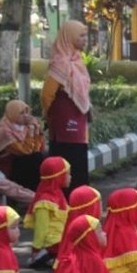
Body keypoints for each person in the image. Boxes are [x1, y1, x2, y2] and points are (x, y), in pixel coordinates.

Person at [42, 20, 91, 189]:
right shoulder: (60, 62)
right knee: (67, 168)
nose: (85, 39)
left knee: (79, 167)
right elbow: (47, 94)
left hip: (79, 124)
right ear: (69, 37)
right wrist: (48, 114)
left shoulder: (77, 60)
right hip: (64, 127)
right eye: (81, 35)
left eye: (85, 35)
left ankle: (80, 200)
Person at [0, 99, 46, 192]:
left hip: (20, 160)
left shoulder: (24, 126)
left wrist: (36, 129)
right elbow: (25, 151)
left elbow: (36, 148)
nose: (26, 116)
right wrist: (31, 131)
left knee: (42, 157)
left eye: (27, 112)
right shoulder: (5, 131)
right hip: (7, 165)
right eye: (22, 113)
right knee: (36, 159)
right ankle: (32, 192)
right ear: (13, 114)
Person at [24, 156, 71, 269]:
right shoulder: (44, 202)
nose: (70, 177)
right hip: (53, 243)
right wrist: (35, 249)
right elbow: (41, 228)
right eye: (67, 174)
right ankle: (44, 257)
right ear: (58, 176)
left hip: (62, 239)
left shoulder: (58, 194)